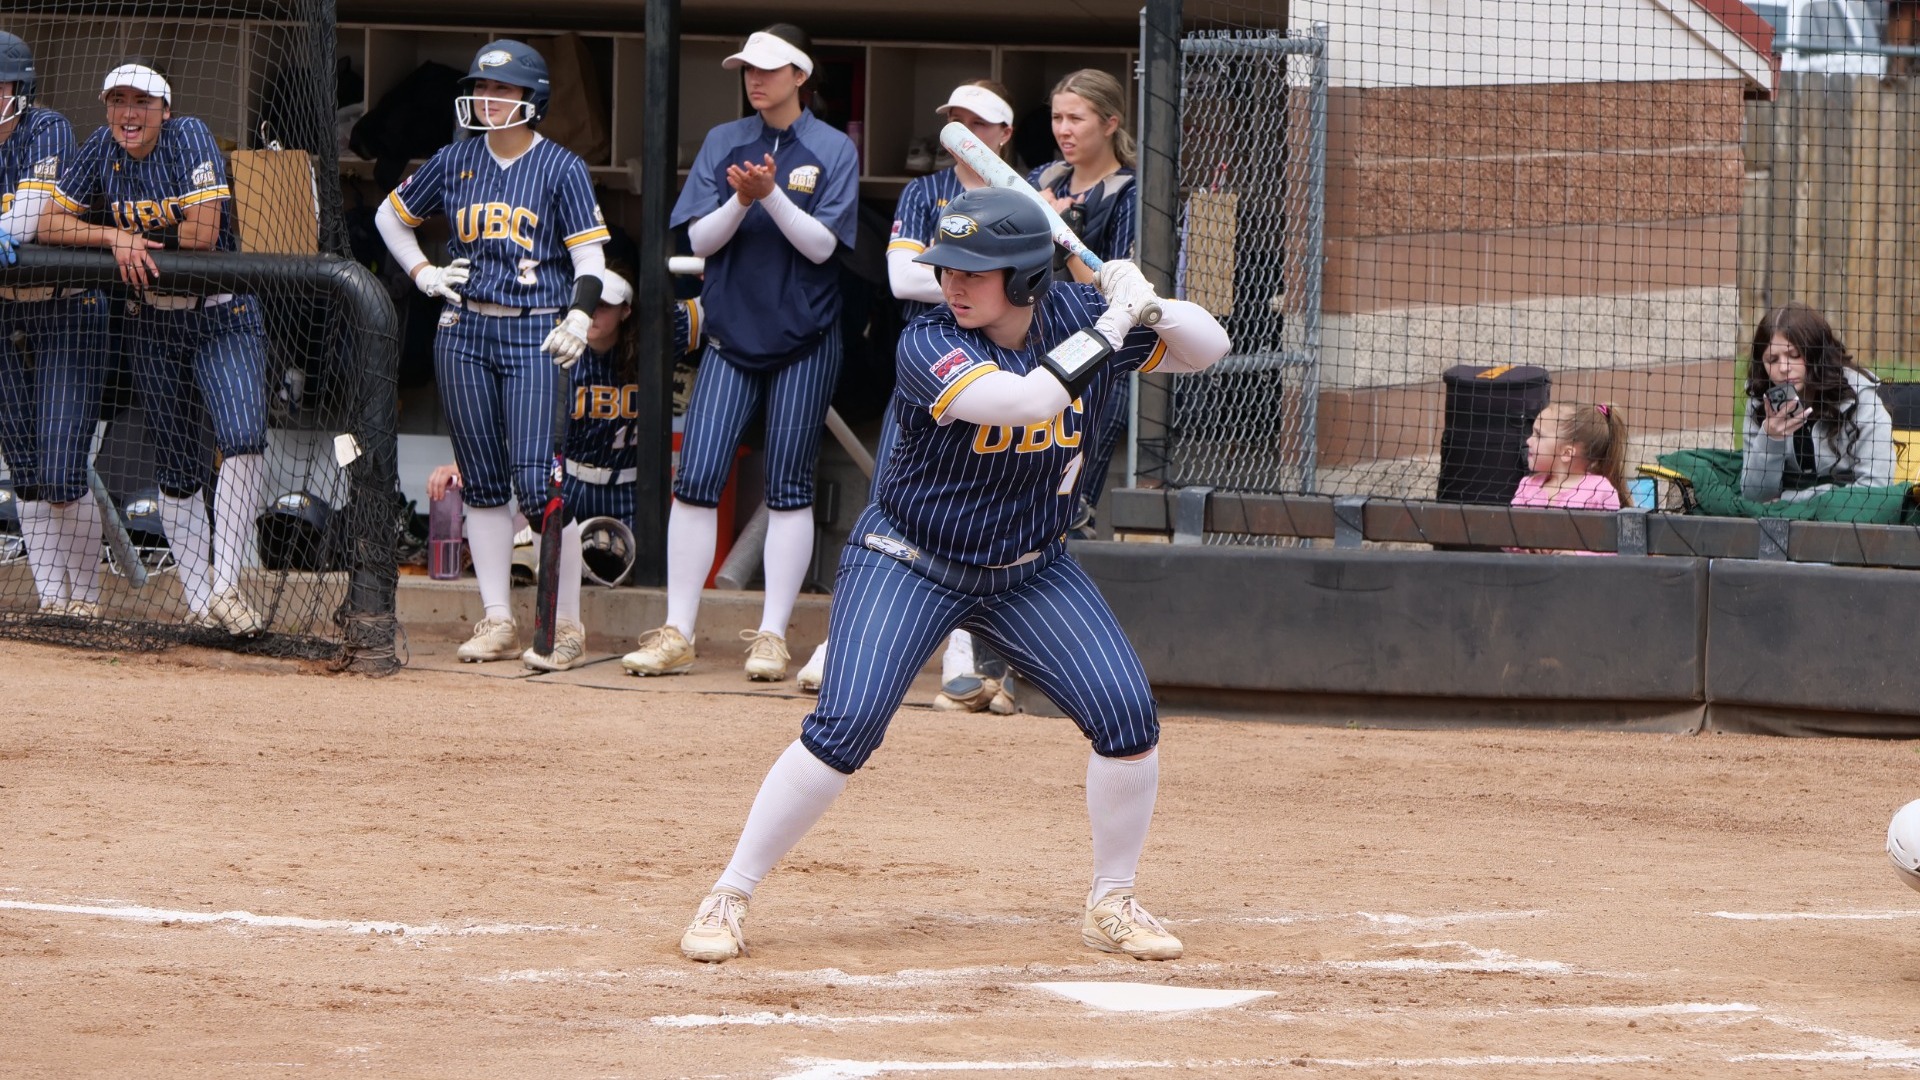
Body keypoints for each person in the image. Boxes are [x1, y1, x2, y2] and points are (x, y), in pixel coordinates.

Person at [674, 186, 1231, 965]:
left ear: (1029, 279)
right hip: (910, 558)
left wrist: (1147, 301)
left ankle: (1113, 898)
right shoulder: (930, 341)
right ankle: (729, 892)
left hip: (1029, 569)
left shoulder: (1075, 314)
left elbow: (1212, 349)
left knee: (1126, 717)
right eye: (949, 268)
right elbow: (1027, 400)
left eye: (978, 271)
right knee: (846, 728)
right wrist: (1112, 324)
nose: (954, 284)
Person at [624, 23, 857, 682]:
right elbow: (699, 242)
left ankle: (772, 636)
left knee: (788, 488)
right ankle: (678, 629)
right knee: (696, 480)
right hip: (730, 335)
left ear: (800, 75)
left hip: (805, 337)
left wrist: (771, 194)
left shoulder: (832, 147)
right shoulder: (724, 141)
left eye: (769, 68)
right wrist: (741, 196)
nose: (755, 79)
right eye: (747, 69)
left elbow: (822, 248)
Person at [374, 40, 612, 671]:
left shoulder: (561, 166)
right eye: (483, 87)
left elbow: (590, 256)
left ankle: (564, 626)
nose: (488, 97)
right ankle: (499, 617)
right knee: (480, 483)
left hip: (538, 329)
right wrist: (424, 272)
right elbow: (389, 217)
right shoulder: (456, 160)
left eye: (503, 90)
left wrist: (581, 313)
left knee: (538, 482)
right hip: (464, 328)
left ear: (531, 99)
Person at [794, 78, 1020, 712]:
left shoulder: (1025, 197)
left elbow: (1038, 287)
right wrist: (984, 278)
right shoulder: (926, 191)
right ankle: (842, 644)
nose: (964, 135)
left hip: (1005, 366)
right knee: (890, 502)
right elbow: (899, 278)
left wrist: (961, 274)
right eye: (955, 121)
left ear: (1004, 134)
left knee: (984, 506)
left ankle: (964, 658)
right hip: (932, 360)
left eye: (979, 123)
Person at [40, 63, 267, 634]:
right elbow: (47, 222)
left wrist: (133, 239)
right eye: (117, 100)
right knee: (176, 468)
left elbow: (202, 233)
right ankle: (201, 606)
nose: (128, 112)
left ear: (164, 108)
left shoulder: (188, 135)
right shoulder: (101, 146)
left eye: (141, 101)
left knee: (243, 439)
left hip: (221, 311)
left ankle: (225, 586)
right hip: (152, 323)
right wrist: (114, 236)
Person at [0, 32, 106, 617]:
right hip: (7, 309)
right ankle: (53, 602)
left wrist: (8, 227)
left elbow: (26, 223)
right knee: (25, 469)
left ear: (22, 88)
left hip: (67, 308)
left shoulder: (49, 129)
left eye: (0, 87)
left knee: (62, 464)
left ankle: (85, 603)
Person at [1029, 69, 1140, 543]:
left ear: (1110, 122)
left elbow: (1118, 296)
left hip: (1100, 355)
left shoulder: (1131, 192)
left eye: (1077, 118)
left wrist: (1062, 234)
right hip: (1032, 343)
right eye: (1057, 117)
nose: (1063, 129)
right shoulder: (1044, 178)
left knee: (1068, 507)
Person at [556, 266, 700, 532]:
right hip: (571, 485)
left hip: (631, 492)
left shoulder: (653, 340)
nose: (591, 313)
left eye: (602, 305)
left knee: (635, 570)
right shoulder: (557, 339)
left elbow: (715, 305)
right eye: (585, 303)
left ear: (626, 311)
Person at [1742, 302, 1895, 503]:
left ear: (1816, 353)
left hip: (1849, 516)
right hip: (1784, 523)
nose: (1784, 368)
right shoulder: (1761, 402)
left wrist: (1792, 499)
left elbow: (1877, 489)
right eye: (1772, 360)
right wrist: (1771, 438)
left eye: (1794, 355)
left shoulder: (1861, 399)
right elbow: (1755, 497)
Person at [1509, 402, 1629, 555]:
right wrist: (1524, 543)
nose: (1528, 441)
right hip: (1530, 575)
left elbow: (1613, 548)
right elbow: (1509, 533)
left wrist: (1576, 555)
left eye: (1538, 435)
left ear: (1566, 453)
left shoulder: (1600, 489)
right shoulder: (1528, 485)